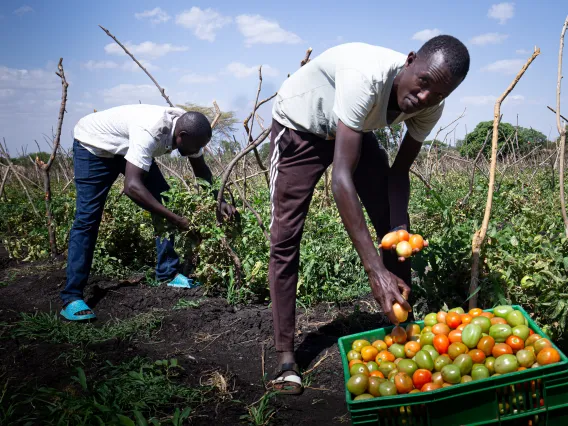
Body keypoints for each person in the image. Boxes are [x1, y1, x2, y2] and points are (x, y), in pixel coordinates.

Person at [267, 35, 470, 394]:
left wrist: (399, 230)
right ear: (410, 61)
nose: (424, 98)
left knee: (397, 233)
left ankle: (400, 326)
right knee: (285, 238)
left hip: (351, 129)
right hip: (300, 127)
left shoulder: (430, 105)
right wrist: (375, 270)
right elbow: (341, 179)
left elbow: (399, 173)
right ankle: (285, 357)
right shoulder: (367, 76)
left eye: (437, 94)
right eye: (423, 83)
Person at [60, 104, 238, 321]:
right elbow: (132, 188)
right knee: (88, 219)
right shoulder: (151, 131)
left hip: (127, 148)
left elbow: (200, 169)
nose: (195, 151)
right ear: (180, 135)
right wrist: (176, 220)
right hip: (94, 147)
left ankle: (168, 272)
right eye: (194, 147)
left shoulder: (191, 130)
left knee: (166, 200)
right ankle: (72, 297)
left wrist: (219, 201)